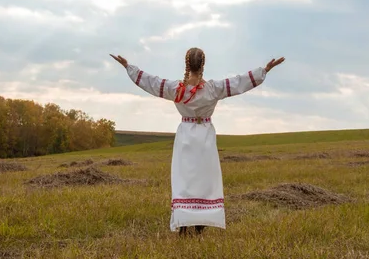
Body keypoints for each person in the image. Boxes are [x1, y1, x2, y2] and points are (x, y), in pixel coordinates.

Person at [110, 48, 285, 236]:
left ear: (186, 65)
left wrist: (129, 67)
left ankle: (183, 225)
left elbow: (151, 82)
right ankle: (200, 225)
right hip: (205, 138)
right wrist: (264, 70)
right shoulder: (213, 88)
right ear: (203, 64)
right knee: (204, 181)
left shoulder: (176, 89)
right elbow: (239, 82)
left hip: (185, 135)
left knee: (185, 180)